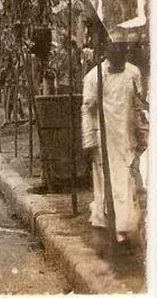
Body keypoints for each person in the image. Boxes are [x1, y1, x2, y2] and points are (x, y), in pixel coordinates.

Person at [81, 40, 148, 250]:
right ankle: (113, 233)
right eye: (114, 47)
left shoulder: (133, 74)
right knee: (106, 183)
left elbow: (139, 107)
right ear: (106, 50)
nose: (119, 51)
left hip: (127, 139)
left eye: (123, 47)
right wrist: (90, 140)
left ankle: (125, 230)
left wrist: (143, 136)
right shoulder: (94, 77)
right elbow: (87, 110)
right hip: (105, 139)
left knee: (128, 183)